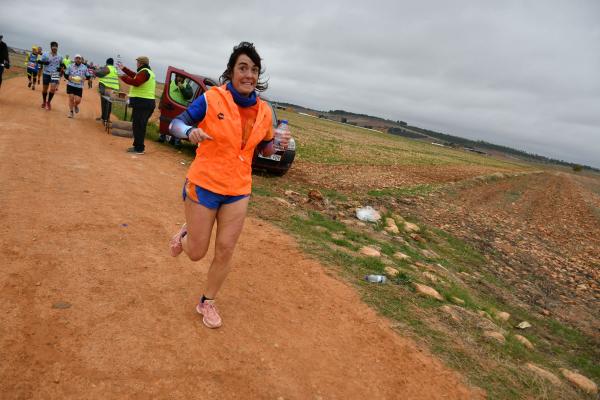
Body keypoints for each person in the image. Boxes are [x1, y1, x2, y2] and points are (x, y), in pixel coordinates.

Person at [168, 42, 290, 329]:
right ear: (232, 71)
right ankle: (184, 236)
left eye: (254, 69)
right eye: (242, 68)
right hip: (205, 183)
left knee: (225, 248)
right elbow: (176, 123)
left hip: (238, 189)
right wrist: (190, 131)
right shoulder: (213, 99)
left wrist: (277, 144)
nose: (248, 74)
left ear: (258, 75)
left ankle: (207, 301)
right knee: (197, 252)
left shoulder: (264, 111)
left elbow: (264, 148)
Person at [118, 56, 156, 155]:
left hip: (143, 103)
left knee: (139, 126)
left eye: (137, 62)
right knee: (138, 125)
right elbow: (135, 76)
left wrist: (123, 78)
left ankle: (139, 148)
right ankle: (137, 146)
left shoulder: (144, 72)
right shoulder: (146, 72)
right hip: (145, 103)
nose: (136, 64)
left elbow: (136, 82)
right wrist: (124, 69)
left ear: (141, 63)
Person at [159, 73, 193, 146]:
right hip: (169, 107)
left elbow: (189, 96)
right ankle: (162, 137)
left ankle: (176, 141)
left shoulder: (187, 86)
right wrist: (161, 103)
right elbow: (164, 93)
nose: (179, 78)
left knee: (178, 124)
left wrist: (182, 88)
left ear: (184, 79)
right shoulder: (170, 83)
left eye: (181, 77)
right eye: (178, 76)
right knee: (166, 120)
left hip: (179, 108)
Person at [39, 41, 64, 110]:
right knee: (45, 90)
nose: (54, 49)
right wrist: (44, 63)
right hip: (46, 73)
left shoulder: (60, 56)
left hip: (55, 73)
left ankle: (48, 102)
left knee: (53, 89)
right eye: (53, 48)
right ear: (51, 48)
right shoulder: (45, 54)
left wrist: (61, 69)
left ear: (57, 48)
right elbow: (40, 61)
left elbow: (62, 65)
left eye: (56, 48)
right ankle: (44, 101)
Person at [94, 58, 119, 123]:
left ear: (107, 63)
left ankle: (104, 118)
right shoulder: (114, 69)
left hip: (106, 88)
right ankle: (107, 118)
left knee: (104, 102)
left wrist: (97, 68)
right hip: (113, 89)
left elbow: (98, 73)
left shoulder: (107, 68)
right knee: (109, 103)